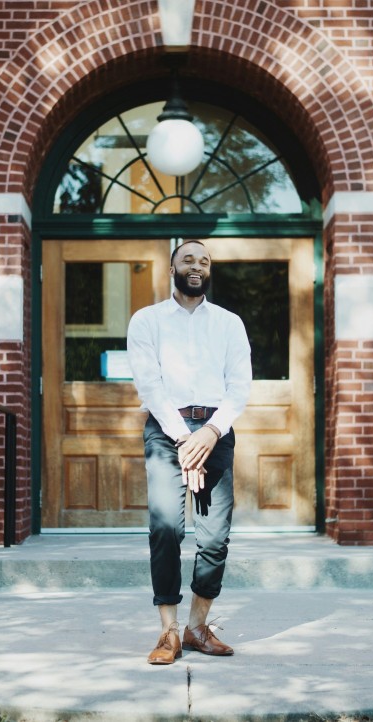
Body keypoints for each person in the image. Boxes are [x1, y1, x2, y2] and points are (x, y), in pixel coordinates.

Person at [126, 239, 252, 665]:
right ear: (172, 266)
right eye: (188, 260)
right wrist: (185, 439)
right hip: (167, 432)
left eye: (204, 261)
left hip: (216, 432)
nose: (196, 266)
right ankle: (168, 632)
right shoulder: (147, 321)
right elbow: (149, 386)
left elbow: (240, 387)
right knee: (167, 530)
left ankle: (197, 627)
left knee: (214, 537)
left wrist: (210, 433)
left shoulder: (230, 323)